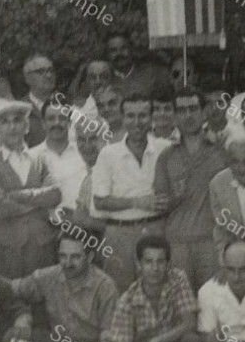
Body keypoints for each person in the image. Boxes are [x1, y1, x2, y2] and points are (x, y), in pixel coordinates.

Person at [0, 101, 61, 279]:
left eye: (17, 120)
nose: (12, 127)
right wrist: (38, 201)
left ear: (26, 126)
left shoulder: (41, 158)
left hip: (42, 245)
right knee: (9, 300)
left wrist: (18, 196)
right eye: (4, 122)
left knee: (42, 301)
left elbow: (55, 195)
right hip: (5, 248)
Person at [154, 87, 228, 291]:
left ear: (203, 112)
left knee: (213, 304)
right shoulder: (166, 156)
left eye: (193, 109)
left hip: (212, 243)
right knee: (182, 305)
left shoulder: (221, 150)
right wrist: (175, 196)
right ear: (175, 116)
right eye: (182, 110)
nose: (188, 115)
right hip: (177, 244)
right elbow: (160, 205)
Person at [91, 92, 167, 291]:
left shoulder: (165, 149)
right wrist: (137, 202)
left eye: (142, 115)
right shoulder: (108, 153)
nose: (137, 122)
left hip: (156, 230)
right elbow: (100, 201)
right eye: (130, 116)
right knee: (119, 291)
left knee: (159, 290)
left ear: (151, 118)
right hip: (119, 234)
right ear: (123, 118)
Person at [33, 103, 89, 225]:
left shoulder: (84, 152)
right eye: (51, 119)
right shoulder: (32, 157)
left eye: (62, 118)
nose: (56, 123)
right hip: (46, 228)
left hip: (84, 226)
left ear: (69, 123)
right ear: (43, 123)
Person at [106, 31, 171, 99]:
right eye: (113, 50)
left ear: (131, 49)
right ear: (107, 54)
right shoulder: (103, 77)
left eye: (123, 48)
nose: (119, 53)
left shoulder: (153, 73)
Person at [21, 54, 58, 147]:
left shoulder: (65, 107)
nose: (49, 75)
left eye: (51, 71)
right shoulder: (20, 110)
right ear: (27, 78)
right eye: (41, 72)